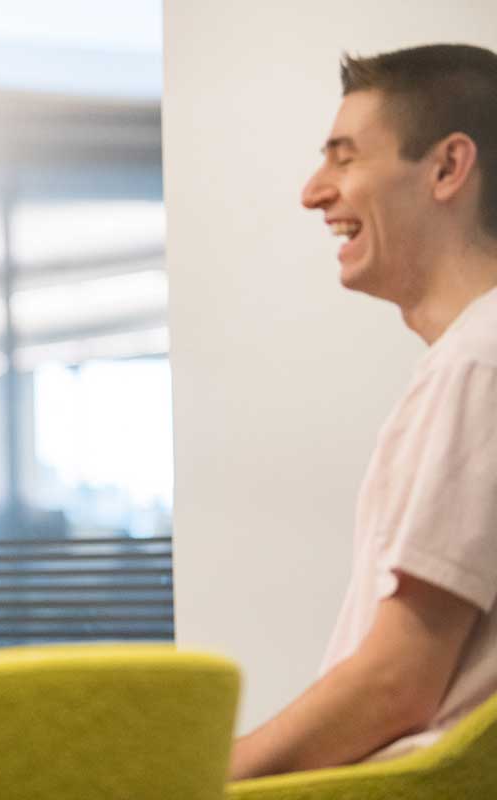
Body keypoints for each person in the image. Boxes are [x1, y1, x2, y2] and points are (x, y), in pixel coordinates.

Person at [230, 43, 497, 779]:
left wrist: (196, 778)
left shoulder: (479, 363)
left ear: (448, 168)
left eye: (344, 159)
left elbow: (396, 684)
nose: (314, 192)